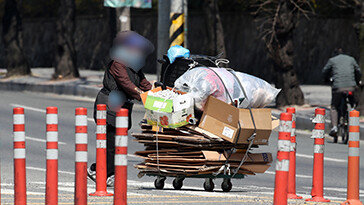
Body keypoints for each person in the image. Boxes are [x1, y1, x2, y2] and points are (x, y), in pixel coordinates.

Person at [88, 31, 154, 186]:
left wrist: (157, 93)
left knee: (118, 143)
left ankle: (97, 170)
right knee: (110, 142)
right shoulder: (118, 63)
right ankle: (108, 174)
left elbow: (143, 82)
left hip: (123, 107)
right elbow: (126, 83)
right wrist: (143, 96)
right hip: (109, 105)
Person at [322, 48, 361, 137]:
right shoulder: (351, 59)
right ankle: (352, 114)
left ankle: (334, 127)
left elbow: (325, 71)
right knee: (353, 103)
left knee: (334, 107)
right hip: (351, 87)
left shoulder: (332, 60)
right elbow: (358, 71)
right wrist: (357, 81)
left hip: (338, 87)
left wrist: (326, 79)